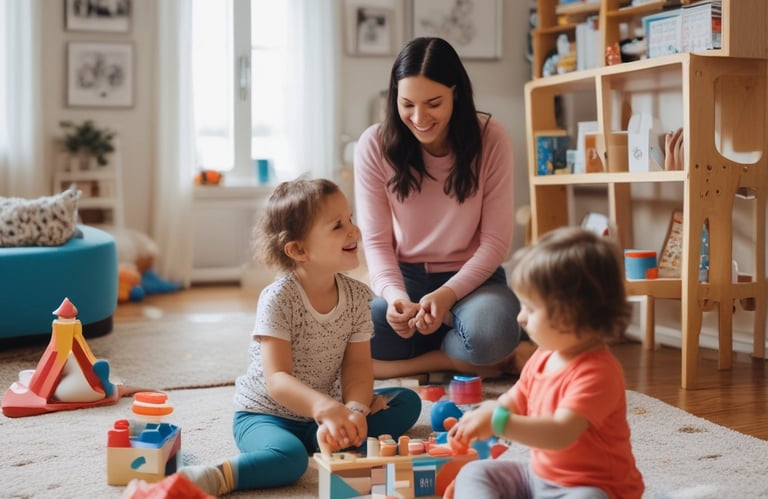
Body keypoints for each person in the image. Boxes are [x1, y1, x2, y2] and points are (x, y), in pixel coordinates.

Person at [178, 178, 422, 495]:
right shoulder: (279, 298)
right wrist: (325, 409)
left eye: (350, 219)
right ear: (298, 249)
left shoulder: (359, 297)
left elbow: (359, 368)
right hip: (267, 414)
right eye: (338, 226)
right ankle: (216, 476)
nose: (354, 230)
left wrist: (355, 410)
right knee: (290, 460)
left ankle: (327, 436)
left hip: (325, 411)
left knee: (405, 402)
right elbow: (277, 378)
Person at [354, 36, 529, 380]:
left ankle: (443, 347)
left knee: (489, 336)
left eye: (433, 103)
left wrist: (448, 295)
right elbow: (376, 242)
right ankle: (452, 356)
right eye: (407, 104)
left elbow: (495, 243)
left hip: (475, 279)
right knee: (354, 333)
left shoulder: (492, 140)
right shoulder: (373, 145)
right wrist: (394, 298)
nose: (419, 118)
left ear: (456, 94)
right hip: (406, 278)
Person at [445, 226, 645, 499]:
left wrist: (499, 422)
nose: (520, 318)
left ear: (571, 315)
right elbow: (517, 397)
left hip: (591, 487)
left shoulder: (598, 373)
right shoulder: (543, 355)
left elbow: (560, 433)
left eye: (530, 308)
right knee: (474, 472)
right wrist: (488, 411)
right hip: (537, 477)